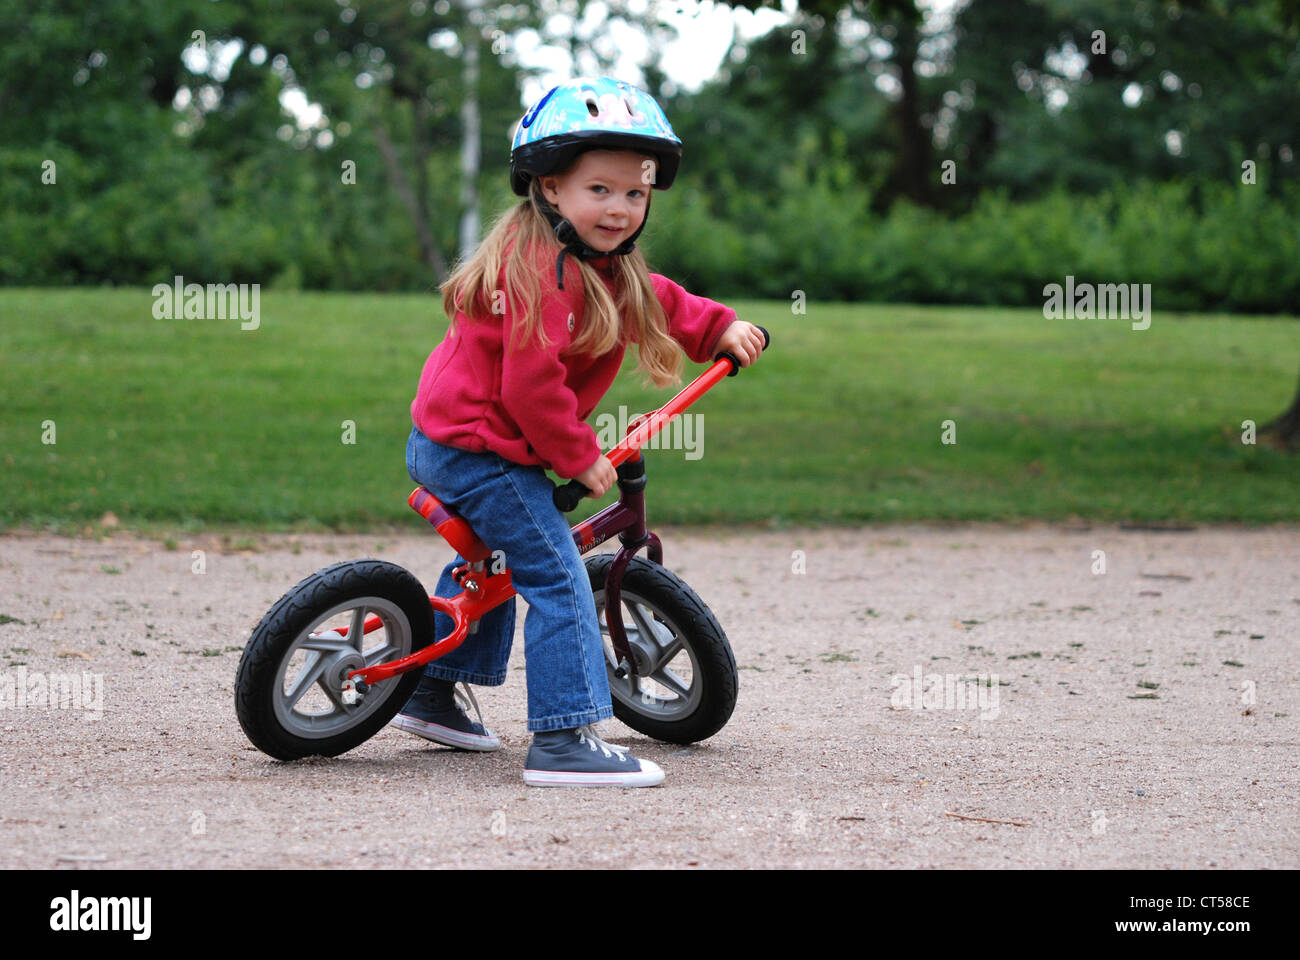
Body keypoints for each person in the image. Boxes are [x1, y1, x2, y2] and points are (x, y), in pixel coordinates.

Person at [394, 77, 765, 787]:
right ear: (550, 187)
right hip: (481, 451)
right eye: (600, 190)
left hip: (457, 441)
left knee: (499, 559)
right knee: (559, 575)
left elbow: (653, 298)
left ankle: (433, 689)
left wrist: (718, 326)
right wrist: (578, 454)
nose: (621, 208)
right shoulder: (539, 272)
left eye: (636, 192)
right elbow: (529, 389)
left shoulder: (593, 261)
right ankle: (563, 739)